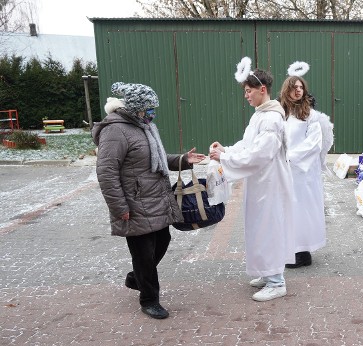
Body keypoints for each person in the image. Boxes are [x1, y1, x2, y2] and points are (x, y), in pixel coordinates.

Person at [93, 82, 206, 320]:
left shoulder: (143, 126)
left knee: (162, 240)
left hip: (155, 198)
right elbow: (106, 172)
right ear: (136, 107)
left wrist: (185, 159)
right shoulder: (115, 131)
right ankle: (149, 299)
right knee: (143, 253)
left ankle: (137, 278)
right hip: (134, 204)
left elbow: (157, 158)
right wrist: (119, 207)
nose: (153, 112)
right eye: (149, 108)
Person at [209, 64, 295, 302]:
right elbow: (248, 145)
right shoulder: (261, 115)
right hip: (261, 183)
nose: (246, 95)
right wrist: (227, 150)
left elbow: (259, 154)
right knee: (259, 227)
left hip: (270, 184)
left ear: (262, 89)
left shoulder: (270, 119)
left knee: (270, 229)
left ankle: (277, 281)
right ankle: (267, 273)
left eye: (248, 90)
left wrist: (225, 158)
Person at [279, 75, 329, 268]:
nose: (298, 90)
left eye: (301, 87)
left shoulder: (310, 115)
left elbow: (313, 144)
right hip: (286, 170)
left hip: (303, 173)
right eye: (294, 87)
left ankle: (302, 252)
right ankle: (291, 249)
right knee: (289, 210)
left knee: (302, 210)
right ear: (287, 90)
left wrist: (289, 157)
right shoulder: (283, 113)